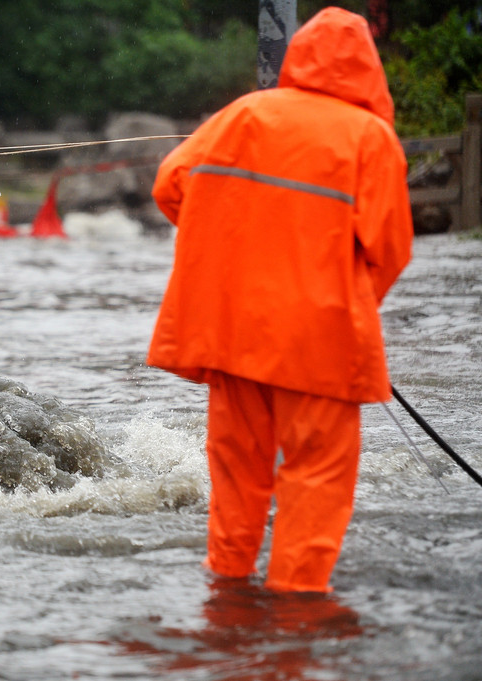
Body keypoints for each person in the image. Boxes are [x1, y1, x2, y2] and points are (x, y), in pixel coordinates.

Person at [146, 6, 414, 593]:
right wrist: (347, 306)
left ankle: (227, 595)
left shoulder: (244, 114)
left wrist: (233, 247)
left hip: (233, 332)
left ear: (298, 55)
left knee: (238, 476)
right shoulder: (371, 139)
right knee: (316, 478)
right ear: (369, 70)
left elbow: (170, 185)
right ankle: (295, 613)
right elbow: (390, 251)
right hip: (319, 344)